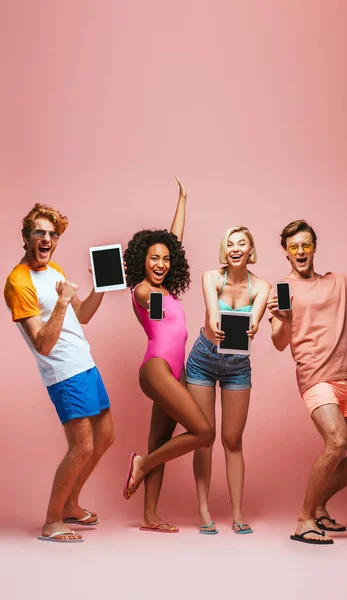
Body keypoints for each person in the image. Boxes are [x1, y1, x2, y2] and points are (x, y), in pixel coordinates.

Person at [267, 220, 347, 545]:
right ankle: (304, 519)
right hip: (315, 376)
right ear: (285, 251)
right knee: (338, 441)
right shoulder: (282, 289)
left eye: (305, 245)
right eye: (294, 246)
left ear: (313, 247)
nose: (300, 251)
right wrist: (285, 321)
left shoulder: (338, 282)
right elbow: (279, 342)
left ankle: (321, 505)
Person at [4, 204, 115, 543]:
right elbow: (42, 344)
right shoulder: (17, 282)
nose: (47, 239)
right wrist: (64, 302)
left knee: (105, 436)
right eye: (40, 232)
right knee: (81, 447)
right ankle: (52, 521)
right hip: (64, 373)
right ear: (26, 237)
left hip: (85, 363)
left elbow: (81, 315)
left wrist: (101, 286)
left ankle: (70, 504)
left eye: (52, 234)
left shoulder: (54, 270)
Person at [123, 178, 214, 533]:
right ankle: (142, 463)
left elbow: (173, 242)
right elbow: (150, 303)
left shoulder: (165, 284)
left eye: (165, 259)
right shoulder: (144, 290)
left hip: (175, 373)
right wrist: (154, 300)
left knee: (159, 440)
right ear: (142, 261)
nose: (160, 263)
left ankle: (149, 515)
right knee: (203, 431)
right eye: (153, 258)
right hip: (156, 368)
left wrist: (183, 199)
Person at [185, 226, 271, 534]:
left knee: (233, 441)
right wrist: (215, 322)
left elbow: (257, 319)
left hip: (237, 365)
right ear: (225, 249)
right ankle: (204, 510)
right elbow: (211, 313)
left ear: (250, 250)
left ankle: (237, 513)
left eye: (241, 243)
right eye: (230, 243)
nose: (235, 248)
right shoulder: (212, 277)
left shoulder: (262, 285)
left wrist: (255, 326)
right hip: (203, 359)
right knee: (204, 437)